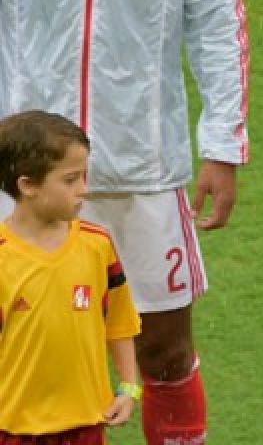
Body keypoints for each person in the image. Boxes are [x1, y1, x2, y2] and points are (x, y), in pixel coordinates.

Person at [0, 0, 249, 445]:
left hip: (143, 169)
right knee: (20, 351)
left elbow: (218, 22)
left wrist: (223, 145)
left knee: (163, 352)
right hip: (21, 174)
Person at [0, 110, 142, 443]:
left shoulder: (97, 245)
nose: (83, 190)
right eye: (70, 180)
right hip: (14, 429)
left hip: (86, 425)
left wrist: (129, 387)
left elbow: (120, 322)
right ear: (28, 185)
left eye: (84, 176)